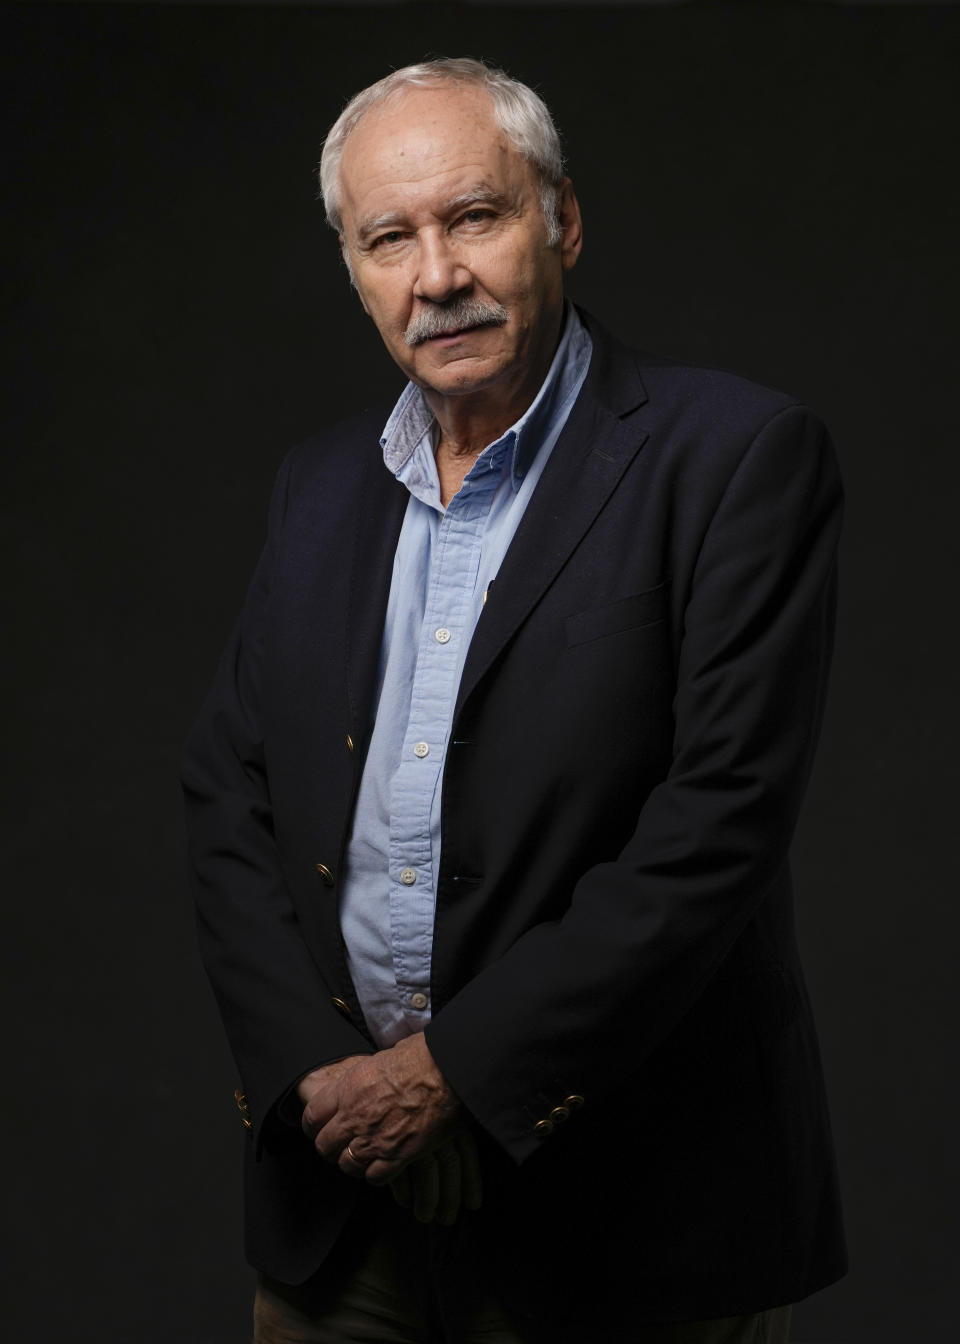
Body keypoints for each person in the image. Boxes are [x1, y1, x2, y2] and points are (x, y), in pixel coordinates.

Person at [182, 56, 846, 1344]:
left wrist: (456, 1080)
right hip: (344, 1208)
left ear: (563, 221)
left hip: (619, 1217)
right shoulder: (315, 490)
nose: (437, 275)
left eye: (473, 217)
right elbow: (226, 792)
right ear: (356, 268)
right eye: (391, 238)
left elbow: (718, 826)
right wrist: (323, 1087)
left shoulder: (733, 459)